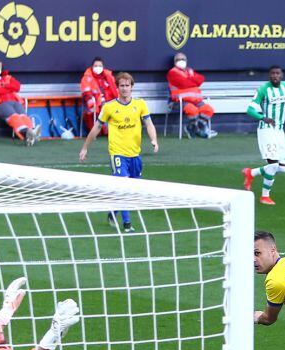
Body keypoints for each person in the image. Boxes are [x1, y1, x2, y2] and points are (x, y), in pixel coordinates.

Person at [79, 71, 159, 233]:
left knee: (134, 189)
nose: (124, 89)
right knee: (124, 186)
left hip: (134, 154)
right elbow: (97, 127)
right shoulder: (109, 107)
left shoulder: (140, 104)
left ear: (132, 87)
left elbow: (149, 124)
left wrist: (154, 140)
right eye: (121, 86)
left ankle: (113, 212)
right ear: (117, 88)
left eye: (127, 86)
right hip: (117, 154)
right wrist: (85, 147)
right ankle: (127, 224)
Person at [241, 66, 285, 206]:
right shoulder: (263, 90)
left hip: (279, 132)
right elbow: (250, 110)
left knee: (282, 167)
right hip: (266, 130)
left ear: (282, 75)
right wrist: (263, 118)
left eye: (278, 73)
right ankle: (265, 196)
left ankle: (251, 173)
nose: (275, 76)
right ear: (269, 76)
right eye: (272, 74)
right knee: (274, 164)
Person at [0, 60, 39, 146]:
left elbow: (17, 87)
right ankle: (26, 133)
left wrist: (4, 86)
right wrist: (9, 88)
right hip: (0, 103)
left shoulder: (7, 77)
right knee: (14, 116)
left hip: (14, 101)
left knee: (23, 116)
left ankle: (31, 131)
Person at [166, 52, 217, 139]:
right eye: (178, 59)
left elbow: (201, 79)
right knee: (192, 110)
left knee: (208, 110)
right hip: (179, 101)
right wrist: (192, 80)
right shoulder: (172, 72)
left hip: (196, 101)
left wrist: (189, 80)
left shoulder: (190, 71)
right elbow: (184, 83)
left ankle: (193, 128)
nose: (181, 61)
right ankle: (199, 130)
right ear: (174, 62)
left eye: (183, 59)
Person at [79, 56, 119, 136]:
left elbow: (115, 90)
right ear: (92, 67)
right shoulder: (87, 78)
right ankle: (104, 130)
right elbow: (86, 94)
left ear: (103, 67)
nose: (98, 68)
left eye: (100, 66)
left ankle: (114, 129)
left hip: (109, 102)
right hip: (95, 103)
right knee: (102, 107)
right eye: (96, 66)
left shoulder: (108, 77)